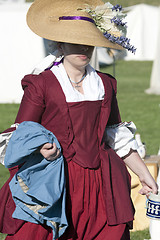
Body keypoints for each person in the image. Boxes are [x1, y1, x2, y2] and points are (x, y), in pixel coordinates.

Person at [0, 0, 158, 239]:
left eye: (88, 43)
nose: (84, 49)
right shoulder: (42, 84)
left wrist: (145, 175)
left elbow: (115, 134)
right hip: (56, 182)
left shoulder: (104, 84)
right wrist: (41, 147)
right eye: (76, 42)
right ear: (60, 45)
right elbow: (21, 133)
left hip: (101, 183)